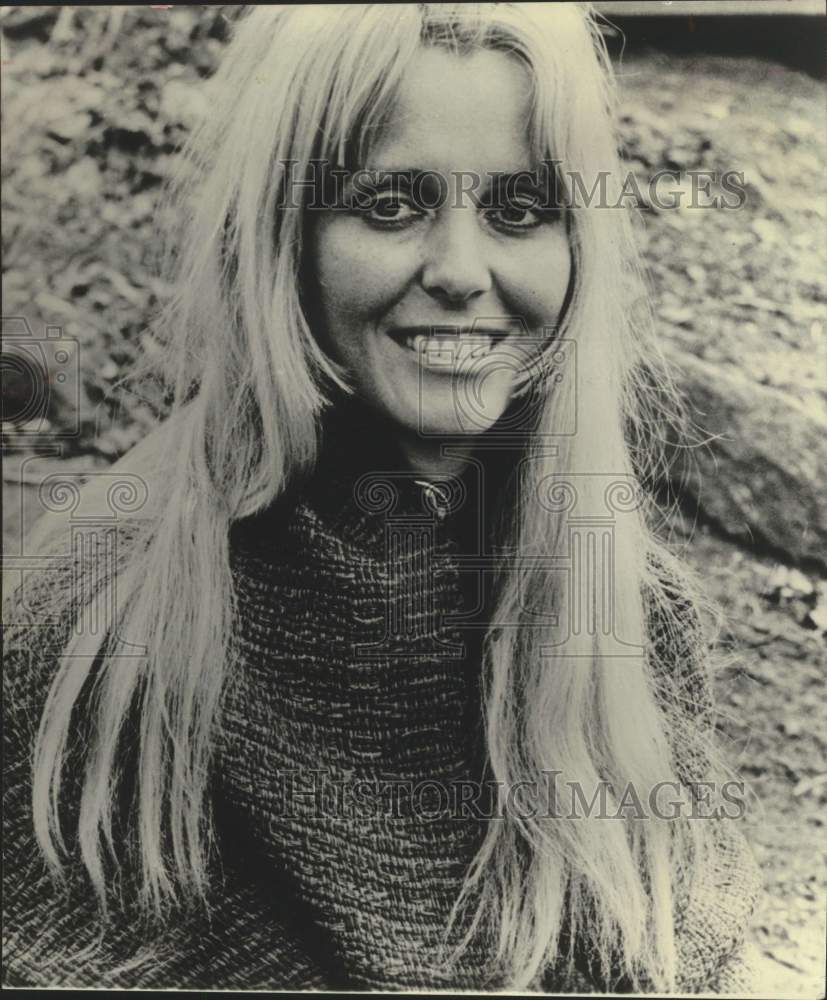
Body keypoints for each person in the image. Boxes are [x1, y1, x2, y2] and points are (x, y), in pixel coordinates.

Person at [3, 3, 761, 992]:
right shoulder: (101, 616)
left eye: (519, 210)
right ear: (287, 239)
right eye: (390, 205)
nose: (458, 272)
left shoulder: (623, 605)